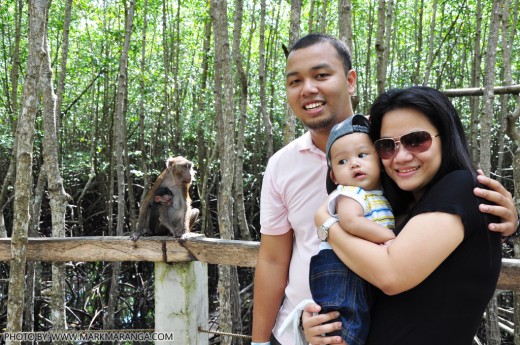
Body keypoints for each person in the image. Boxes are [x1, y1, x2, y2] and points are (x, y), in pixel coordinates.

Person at [252, 33, 518, 345]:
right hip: (317, 327)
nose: (400, 154)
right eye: (294, 81)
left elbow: (396, 270)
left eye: (322, 75)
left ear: (350, 80)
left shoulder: (397, 146)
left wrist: (326, 222)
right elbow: (272, 260)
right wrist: (274, 335)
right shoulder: (282, 164)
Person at [303, 86, 511, 345]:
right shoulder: (396, 211)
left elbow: (391, 275)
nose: (400, 157)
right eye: (387, 146)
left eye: (416, 140)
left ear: (445, 136)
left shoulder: (461, 186)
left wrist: (326, 223)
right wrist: (320, 325)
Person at [308, 114, 395, 345]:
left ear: (379, 161)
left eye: (362, 155)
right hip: (339, 269)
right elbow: (351, 222)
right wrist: (390, 237)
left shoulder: (377, 196)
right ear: (334, 176)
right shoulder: (349, 193)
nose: (354, 163)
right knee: (343, 326)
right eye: (342, 161)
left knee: (358, 322)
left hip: (355, 266)